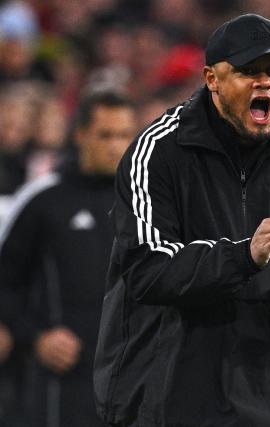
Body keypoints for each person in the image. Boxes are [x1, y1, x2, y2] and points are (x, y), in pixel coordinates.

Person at [93, 13, 270, 427]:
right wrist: (244, 256)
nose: (264, 82)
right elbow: (148, 270)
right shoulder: (158, 151)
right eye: (247, 72)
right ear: (211, 79)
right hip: (162, 400)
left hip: (265, 403)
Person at [0, 90, 136, 426]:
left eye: (124, 136)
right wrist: (36, 337)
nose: (115, 145)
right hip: (65, 384)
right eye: (105, 135)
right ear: (80, 135)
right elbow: (5, 285)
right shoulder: (44, 202)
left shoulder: (148, 205)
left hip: (134, 381)